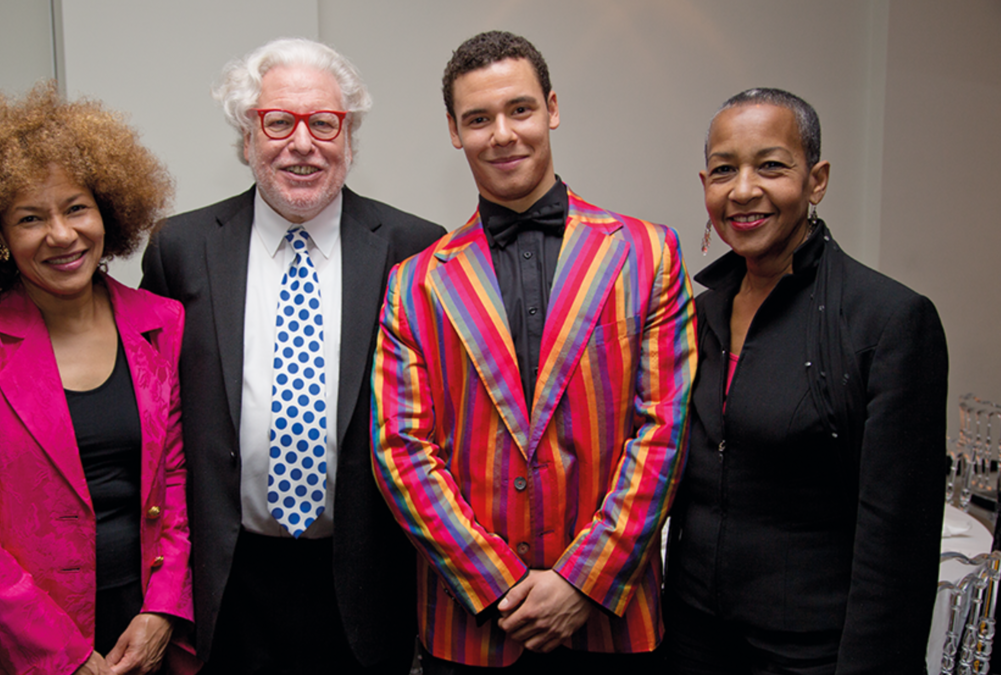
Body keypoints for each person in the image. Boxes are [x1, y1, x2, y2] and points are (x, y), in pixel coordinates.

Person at [371, 31, 698, 672]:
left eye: (519, 109)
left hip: (612, 617)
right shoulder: (415, 282)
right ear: (453, 130)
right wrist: (496, 584)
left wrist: (582, 581)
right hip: (474, 627)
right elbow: (401, 451)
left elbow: (665, 431)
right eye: (478, 118)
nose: (502, 133)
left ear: (551, 107)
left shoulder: (648, 253)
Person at [140, 38, 443, 673]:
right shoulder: (181, 248)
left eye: (324, 123)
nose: (301, 143)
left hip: (363, 580)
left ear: (349, 138)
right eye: (277, 121)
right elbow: (152, 422)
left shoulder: (415, 249)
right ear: (246, 137)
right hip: (228, 581)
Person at [0, 83, 197, 675]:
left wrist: (164, 609)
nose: (62, 235)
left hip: (140, 631)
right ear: (1, 240)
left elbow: (179, 482)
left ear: (106, 213)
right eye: (30, 218)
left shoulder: (160, 322)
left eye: (76, 208)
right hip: (13, 644)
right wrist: (60, 654)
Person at [662, 88, 949, 674]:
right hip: (692, 639)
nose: (743, 190)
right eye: (724, 171)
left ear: (816, 180)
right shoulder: (696, 316)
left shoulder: (887, 320)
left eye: (771, 166)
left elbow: (897, 548)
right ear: (705, 186)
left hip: (811, 653)